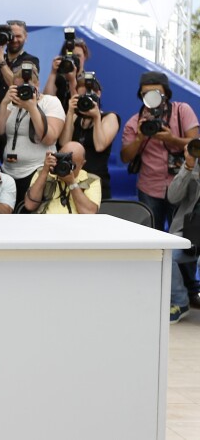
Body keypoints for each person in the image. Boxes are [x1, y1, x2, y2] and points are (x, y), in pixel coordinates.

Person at [121, 71, 199, 231]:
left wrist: (172, 139)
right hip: (149, 187)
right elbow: (125, 157)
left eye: (156, 94)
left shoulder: (182, 111)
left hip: (181, 185)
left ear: (166, 95)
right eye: (146, 94)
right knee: (151, 238)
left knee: (180, 236)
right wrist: (139, 138)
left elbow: (195, 146)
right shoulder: (135, 122)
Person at [0, 62, 65, 206]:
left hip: (37, 171)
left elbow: (49, 138)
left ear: (37, 84)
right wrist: (3, 103)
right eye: (19, 87)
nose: (23, 91)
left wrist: (32, 107)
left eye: (28, 86)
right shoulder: (11, 104)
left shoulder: (50, 102)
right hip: (8, 172)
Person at [58, 75, 119, 200]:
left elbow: (100, 146)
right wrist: (70, 113)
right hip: (72, 179)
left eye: (89, 97)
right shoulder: (75, 117)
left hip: (96, 181)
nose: (85, 100)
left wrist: (96, 118)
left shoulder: (109, 117)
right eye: (82, 97)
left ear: (98, 94)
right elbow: (64, 144)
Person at [166, 144, 200, 323]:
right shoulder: (193, 163)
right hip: (191, 228)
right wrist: (188, 167)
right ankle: (180, 301)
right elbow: (173, 197)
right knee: (167, 253)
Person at [24, 142, 100, 214]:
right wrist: (45, 171)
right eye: (63, 160)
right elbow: (30, 205)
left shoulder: (91, 180)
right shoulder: (42, 173)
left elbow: (90, 213)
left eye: (71, 164)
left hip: (76, 225)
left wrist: (72, 183)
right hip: (46, 224)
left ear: (82, 164)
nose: (65, 166)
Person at [0, 20, 39, 100]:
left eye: (18, 36)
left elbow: (18, 86)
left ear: (25, 37)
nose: (15, 40)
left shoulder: (31, 60)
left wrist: (1, 61)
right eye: (12, 36)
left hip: (13, 109)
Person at [43, 36, 90, 111]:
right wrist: (53, 72)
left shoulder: (88, 80)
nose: (74, 59)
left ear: (85, 56)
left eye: (78, 56)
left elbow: (80, 108)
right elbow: (46, 100)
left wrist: (72, 81)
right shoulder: (59, 77)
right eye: (71, 56)